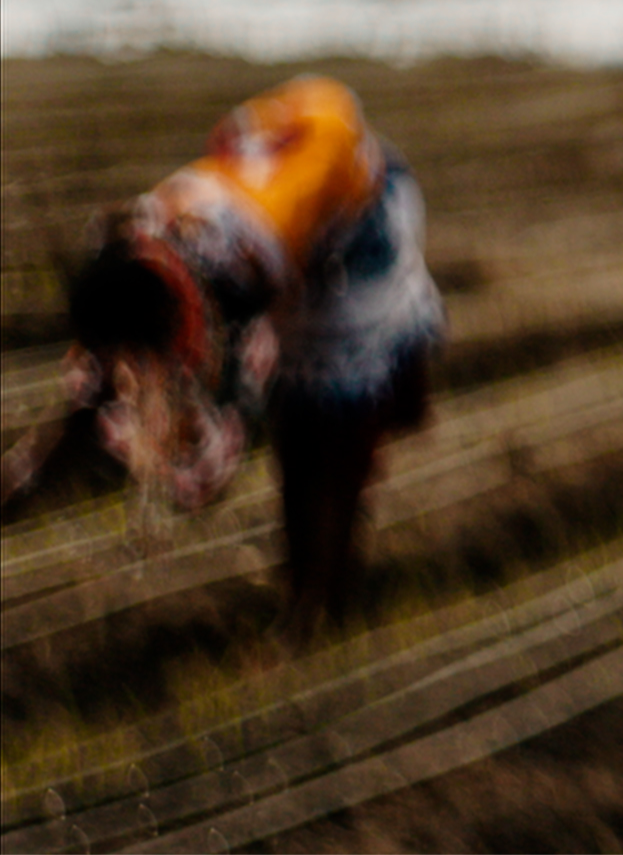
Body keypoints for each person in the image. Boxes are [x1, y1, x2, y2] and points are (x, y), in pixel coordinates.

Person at [0, 75, 443, 629]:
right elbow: (91, 396)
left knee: (323, 428)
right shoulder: (143, 245)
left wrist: (157, 441)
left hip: (355, 234)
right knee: (303, 435)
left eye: (135, 362)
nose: (126, 376)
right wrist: (18, 481)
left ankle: (321, 606)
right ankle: (313, 600)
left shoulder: (236, 276)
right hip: (294, 208)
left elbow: (213, 463)